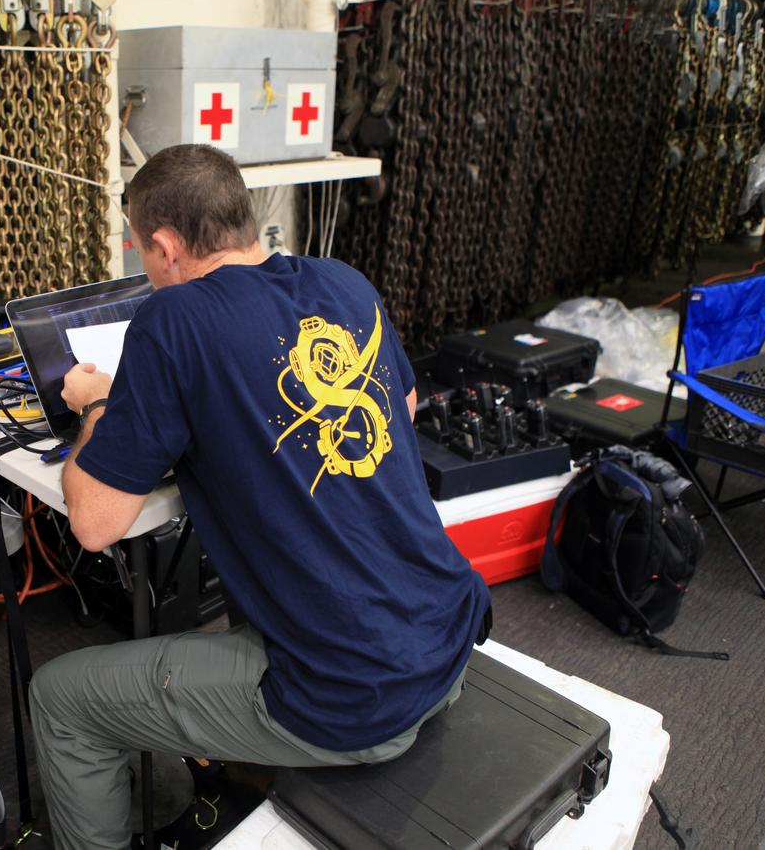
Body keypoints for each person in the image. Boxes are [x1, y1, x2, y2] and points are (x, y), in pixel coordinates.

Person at [29, 144, 492, 850]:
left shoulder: (172, 320)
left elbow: (94, 523)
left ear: (165, 246)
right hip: (447, 633)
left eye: (143, 252)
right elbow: (402, 401)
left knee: (60, 699)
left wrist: (100, 405)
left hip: (356, 696)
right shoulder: (344, 282)